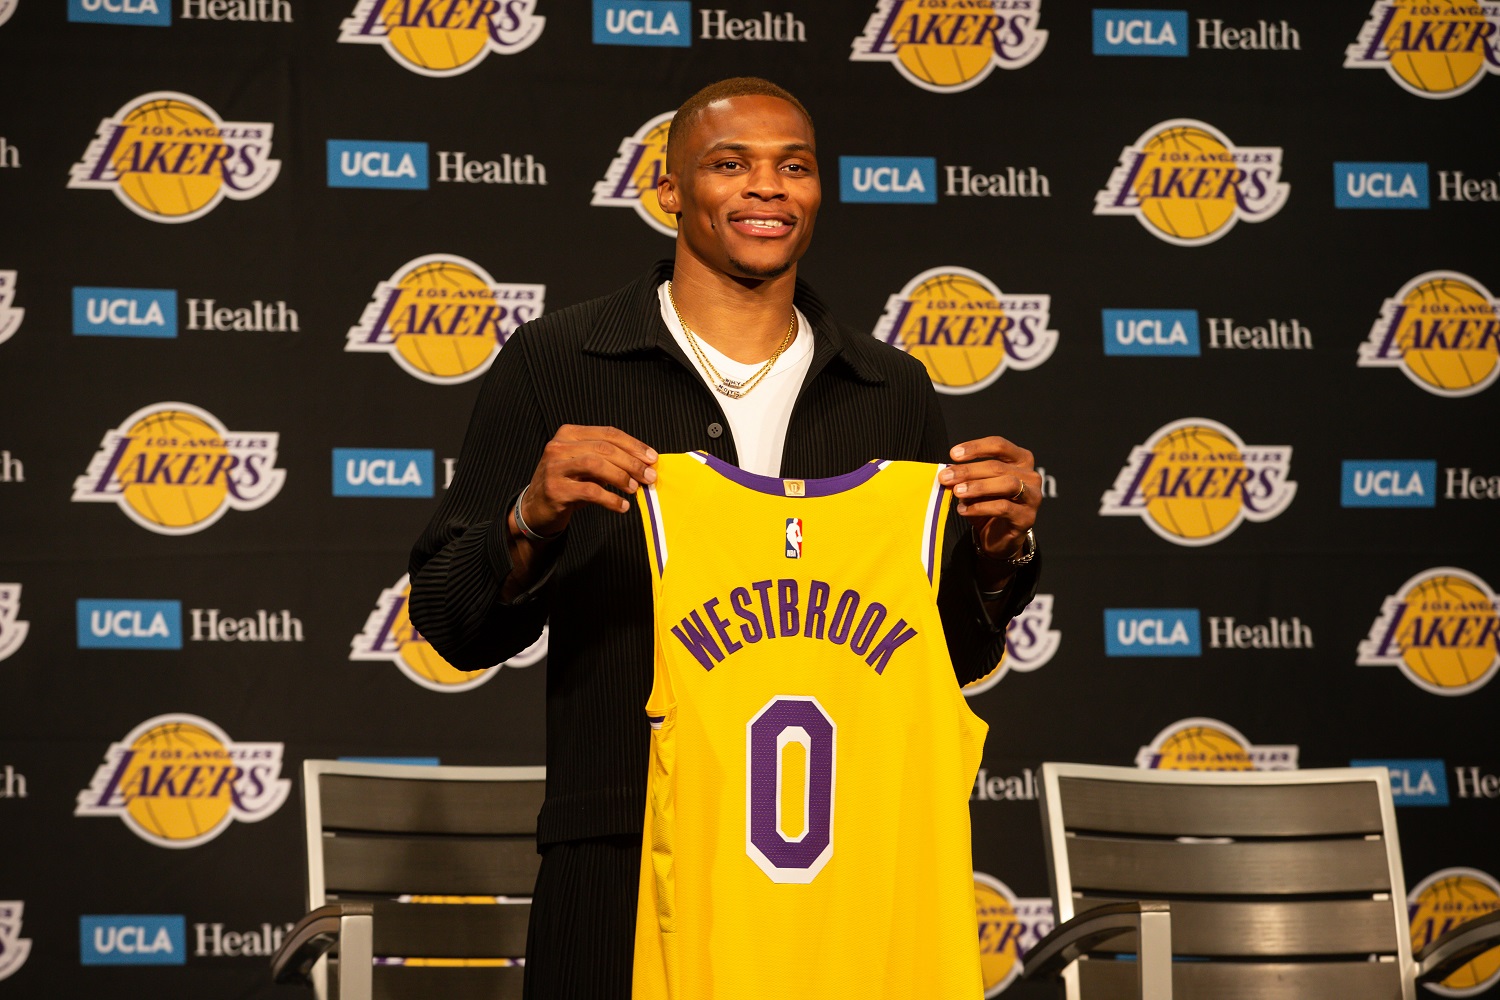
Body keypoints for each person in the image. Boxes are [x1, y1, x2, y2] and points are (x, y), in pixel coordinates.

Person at [408, 76, 1042, 999]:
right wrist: (527, 521)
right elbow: (447, 620)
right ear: (669, 190)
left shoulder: (888, 388)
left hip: (847, 879)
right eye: (730, 164)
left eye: (794, 167)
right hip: (620, 856)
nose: (767, 189)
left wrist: (999, 553)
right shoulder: (559, 363)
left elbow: (951, 654)